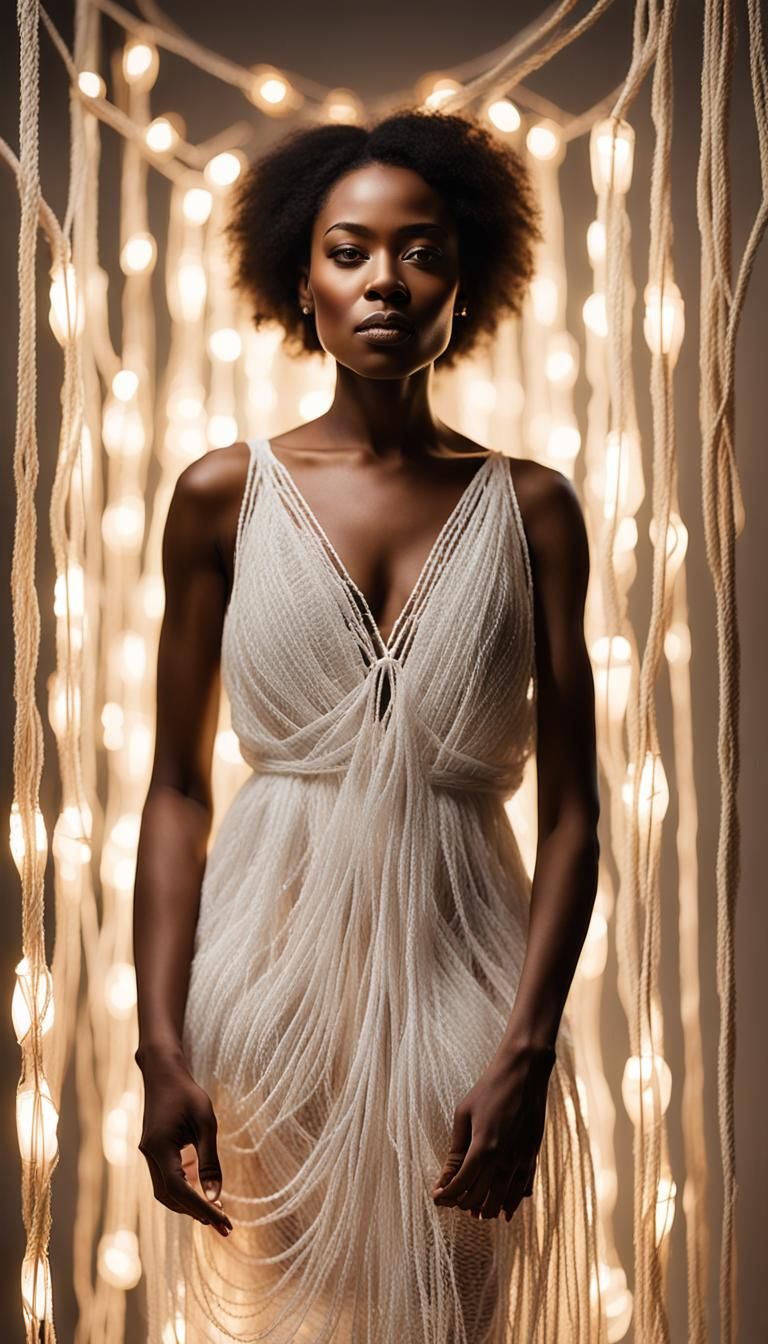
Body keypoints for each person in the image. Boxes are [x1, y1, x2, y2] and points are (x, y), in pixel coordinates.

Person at [133, 108, 603, 1343]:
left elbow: (574, 812)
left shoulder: (535, 510)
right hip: (269, 985)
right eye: (350, 251)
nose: (386, 281)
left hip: (471, 975)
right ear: (301, 277)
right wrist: (160, 1046)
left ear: (470, 277)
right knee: (295, 1319)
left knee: (460, 1313)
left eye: (423, 250)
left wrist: (530, 1052)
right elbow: (177, 787)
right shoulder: (223, 497)